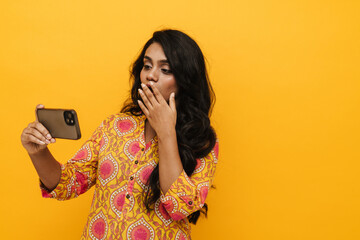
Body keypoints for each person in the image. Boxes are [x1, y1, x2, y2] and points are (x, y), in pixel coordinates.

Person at [21, 29, 219, 240]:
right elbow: (69, 184)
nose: (151, 75)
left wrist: (166, 134)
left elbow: (180, 207)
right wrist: (38, 153)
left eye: (166, 69)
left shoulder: (202, 140)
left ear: (185, 80)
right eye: (147, 65)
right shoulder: (115, 126)